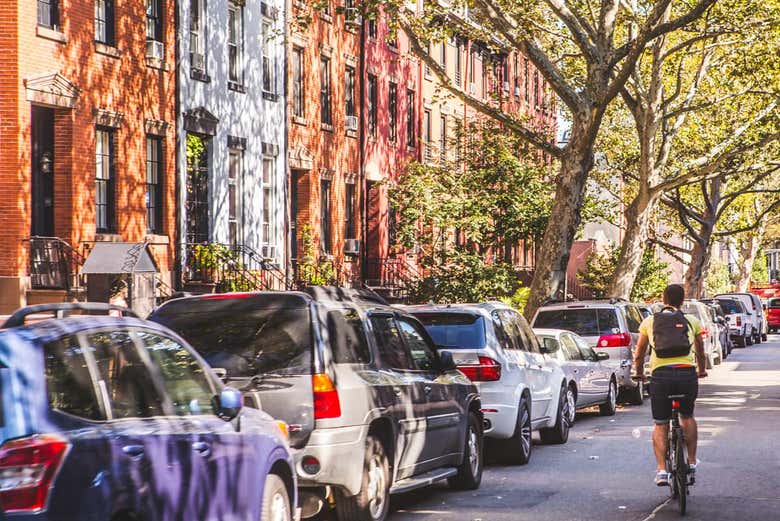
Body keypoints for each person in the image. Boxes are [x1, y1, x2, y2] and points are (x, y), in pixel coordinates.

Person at [633, 284, 707, 486]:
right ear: (682, 300)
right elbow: (701, 351)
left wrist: (639, 373)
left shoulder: (649, 321)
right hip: (686, 374)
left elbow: (639, 354)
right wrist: (701, 370)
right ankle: (691, 462)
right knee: (688, 416)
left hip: (661, 378)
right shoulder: (691, 321)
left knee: (660, 423)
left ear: (663, 299)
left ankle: (662, 471)